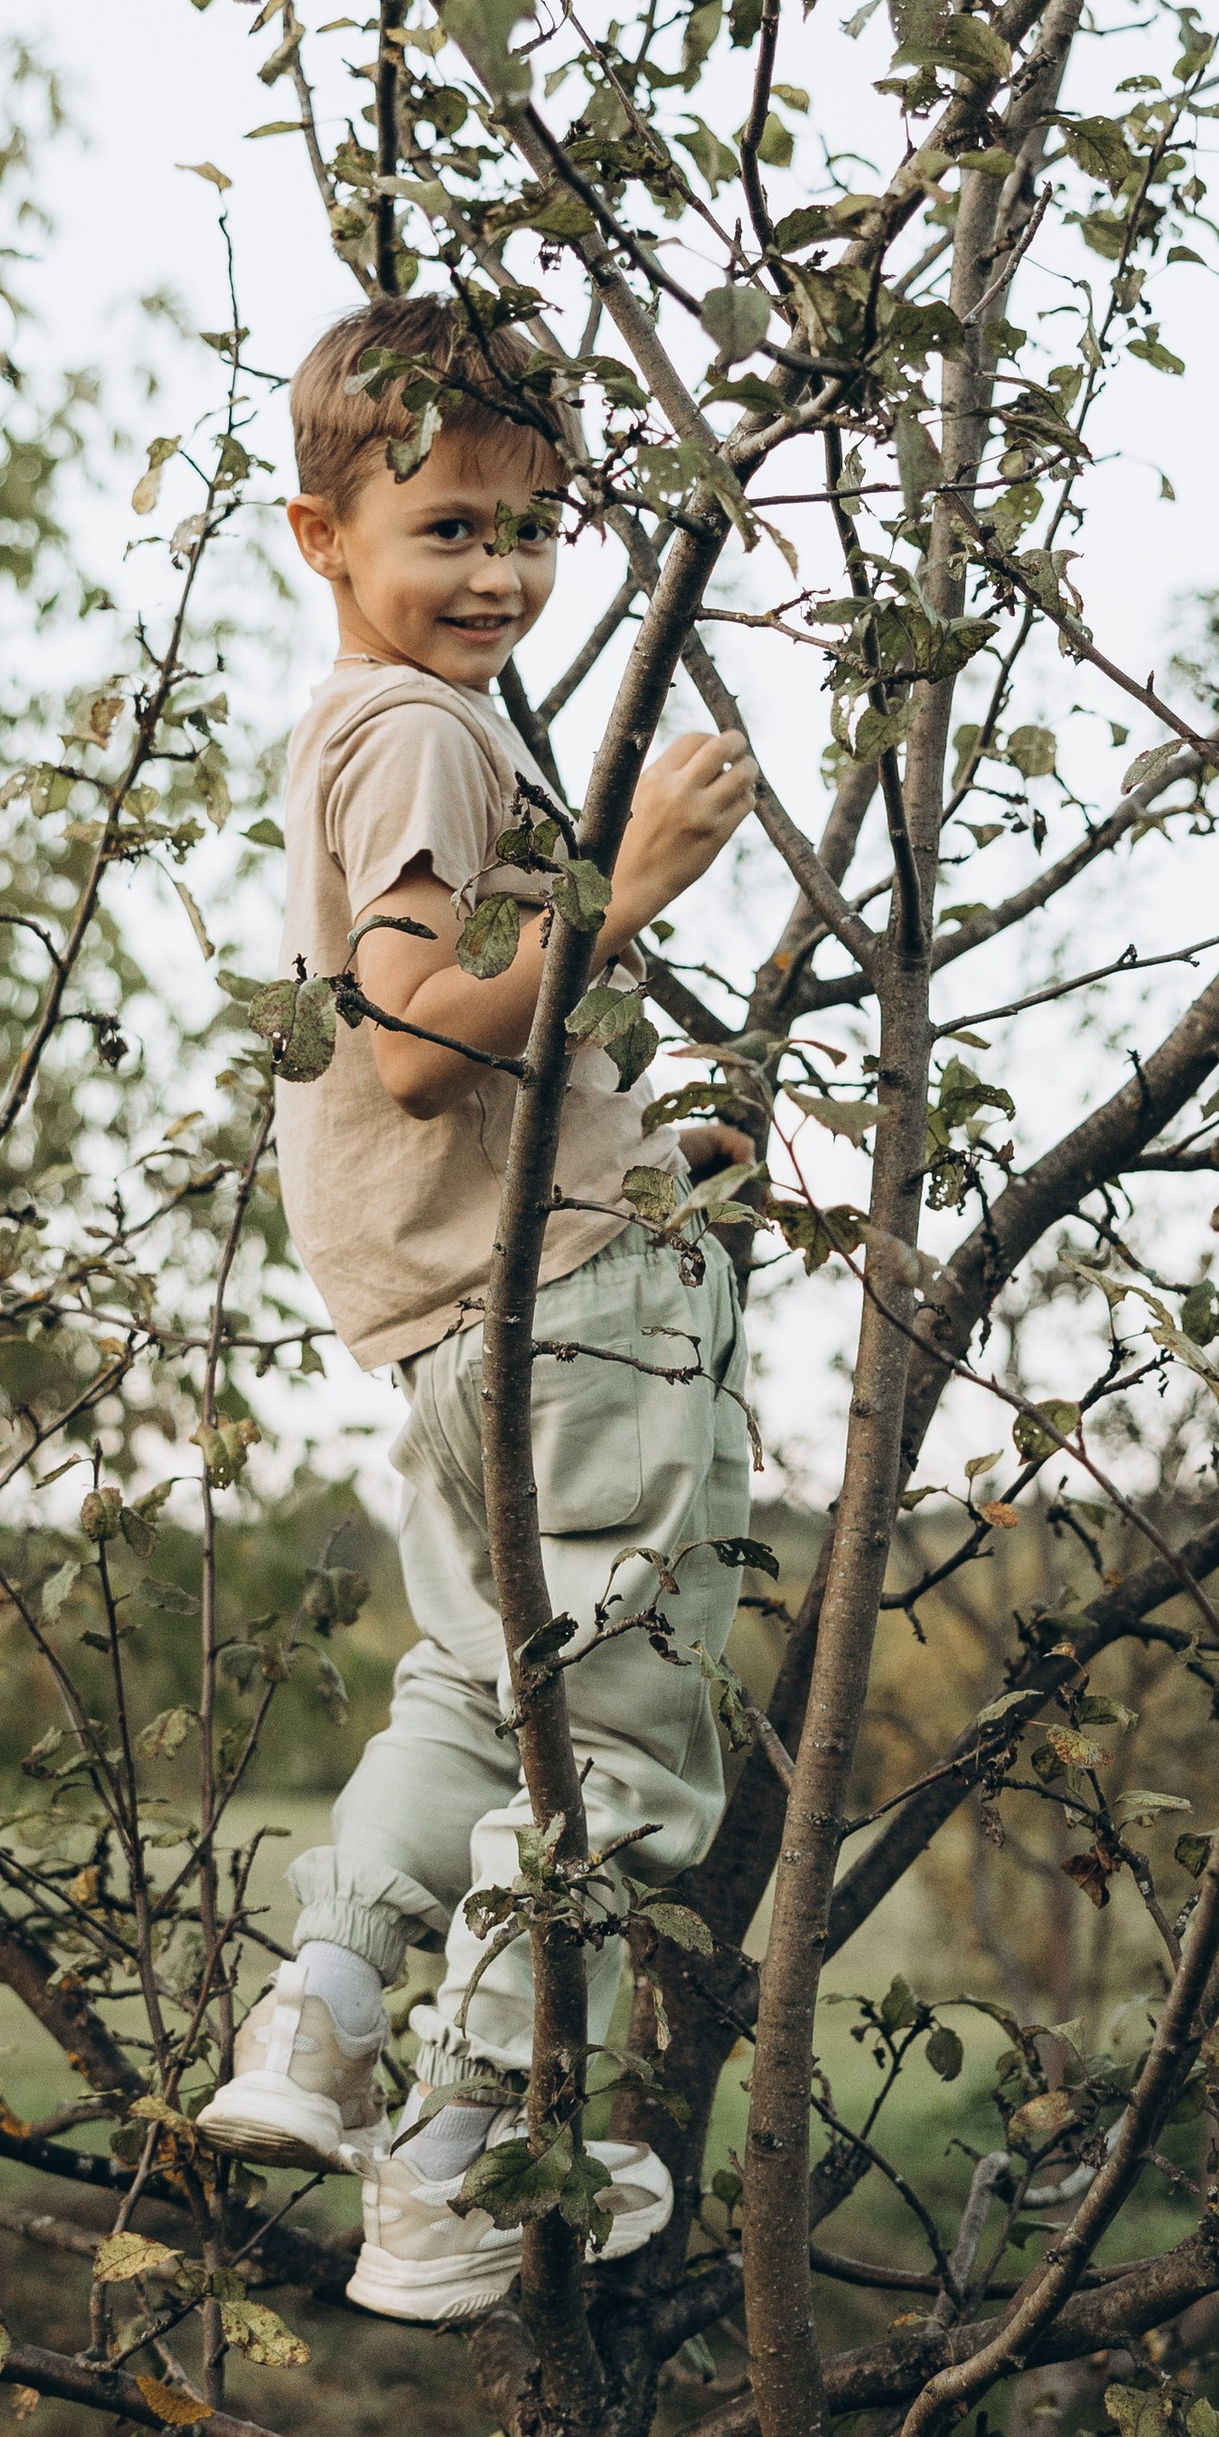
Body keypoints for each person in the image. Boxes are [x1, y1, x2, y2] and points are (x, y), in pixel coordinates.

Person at [193, 299, 759, 2325]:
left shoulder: (361, 730)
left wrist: (641, 1158)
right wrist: (635, 885)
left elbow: (443, 1072)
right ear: (316, 534)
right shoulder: (428, 733)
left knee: (468, 1693)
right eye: (445, 526)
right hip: (564, 1322)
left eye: (531, 528)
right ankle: (466, 2148)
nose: (500, 573)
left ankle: (322, 2013)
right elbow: (423, 1045)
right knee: (620, 1745)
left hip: (461, 1318)